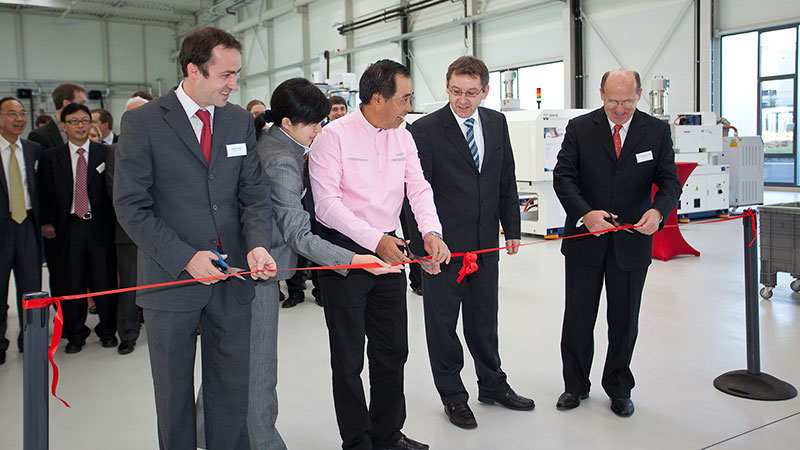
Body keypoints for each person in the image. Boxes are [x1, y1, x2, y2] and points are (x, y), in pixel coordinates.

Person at [197, 77, 397, 450]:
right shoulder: (281, 162)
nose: (320, 131)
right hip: (255, 272)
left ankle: (208, 435)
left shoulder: (273, 143)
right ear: (287, 122)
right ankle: (263, 443)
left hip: (237, 266)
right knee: (259, 369)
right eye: (314, 124)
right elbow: (297, 234)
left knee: (227, 362)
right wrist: (353, 259)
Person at [114, 27, 275, 449]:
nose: (233, 84)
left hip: (232, 279)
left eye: (236, 74)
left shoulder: (238, 120)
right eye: (225, 75)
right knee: (174, 397)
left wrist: (258, 243)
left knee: (230, 392)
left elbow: (254, 196)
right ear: (193, 70)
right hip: (170, 280)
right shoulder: (144, 122)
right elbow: (131, 206)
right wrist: (186, 257)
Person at [310, 59, 450, 450]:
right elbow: (326, 206)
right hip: (345, 256)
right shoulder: (333, 137)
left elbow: (418, 188)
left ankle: (388, 435)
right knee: (349, 359)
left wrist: (431, 232)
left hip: (389, 253)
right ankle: (357, 441)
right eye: (404, 98)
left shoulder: (402, 136)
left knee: (392, 351)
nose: (409, 106)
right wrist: (375, 241)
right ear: (377, 98)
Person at [405, 56, 534, 430]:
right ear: (447, 88)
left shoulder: (496, 122)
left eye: (471, 93)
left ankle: (492, 384)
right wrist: (422, 248)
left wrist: (512, 227)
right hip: (442, 247)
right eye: (456, 91)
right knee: (443, 325)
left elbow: (506, 177)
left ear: (485, 91)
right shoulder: (425, 129)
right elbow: (414, 193)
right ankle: (453, 395)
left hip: (485, 244)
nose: (463, 100)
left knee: (484, 320)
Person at [552, 69, 681, 417]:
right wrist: (585, 214)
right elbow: (563, 177)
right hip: (585, 241)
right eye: (612, 102)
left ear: (639, 95)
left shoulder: (655, 131)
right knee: (578, 317)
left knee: (624, 321)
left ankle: (619, 388)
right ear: (601, 94)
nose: (620, 109)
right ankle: (574, 386)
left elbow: (669, 182)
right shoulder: (580, 128)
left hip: (632, 241)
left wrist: (658, 211)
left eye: (627, 102)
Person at [38, 103, 117, 354]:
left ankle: (107, 330)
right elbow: (44, 192)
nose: (80, 126)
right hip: (68, 228)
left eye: (85, 121)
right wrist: (47, 222)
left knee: (103, 279)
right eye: (74, 121)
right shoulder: (51, 157)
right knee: (71, 281)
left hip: (99, 227)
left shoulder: (106, 153)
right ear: (64, 126)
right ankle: (75, 333)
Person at [104, 96, 149, 355]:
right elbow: (117, 192)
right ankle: (128, 333)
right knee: (130, 284)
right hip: (129, 230)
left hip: (166, 229)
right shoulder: (114, 152)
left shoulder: (166, 146)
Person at [0, 97, 42, 364]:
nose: (19, 119)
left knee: (31, 288)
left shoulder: (33, 150)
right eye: (11, 114)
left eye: (22, 113)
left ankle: (31, 341)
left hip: (27, 225)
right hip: (2, 227)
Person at [29, 83, 86, 150]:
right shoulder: (39, 136)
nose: (85, 108)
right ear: (66, 103)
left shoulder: (85, 131)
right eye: (81, 104)